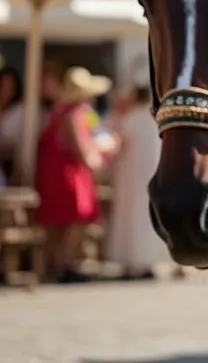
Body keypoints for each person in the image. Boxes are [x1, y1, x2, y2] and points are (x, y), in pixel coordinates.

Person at [34, 66, 116, 283]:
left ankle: (54, 265)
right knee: (75, 218)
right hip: (70, 173)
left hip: (54, 171)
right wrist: (101, 163)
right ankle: (64, 265)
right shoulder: (75, 114)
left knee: (57, 221)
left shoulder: (57, 111)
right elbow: (81, 149)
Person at [105, 66, 173, 280]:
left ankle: (136, 260)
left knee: (133, 217)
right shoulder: (157, 118)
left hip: (132, 177)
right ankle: (146, 259)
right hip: (144, 175)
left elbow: (118, 142)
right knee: (145, 216)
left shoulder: (133, 118)